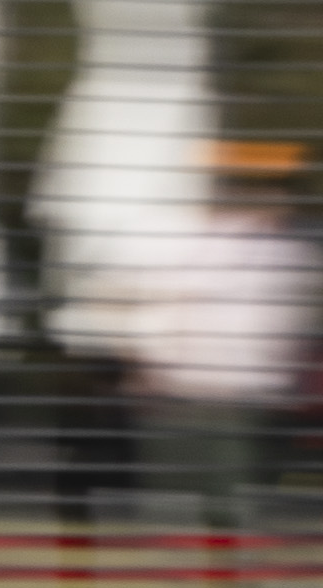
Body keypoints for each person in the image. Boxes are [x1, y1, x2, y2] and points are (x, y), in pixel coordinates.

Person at [129, 144, 318, 516]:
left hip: (238, 398)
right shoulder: (197, 243)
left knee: (223, 500)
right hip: (191, 393)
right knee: (185, 502)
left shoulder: (289, 254)